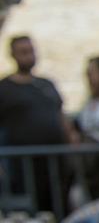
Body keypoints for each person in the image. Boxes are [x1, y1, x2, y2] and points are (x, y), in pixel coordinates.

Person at [0, 36, 73, 212]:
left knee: (60, 205)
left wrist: (71, 141)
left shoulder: (46, 84)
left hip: (55, 161)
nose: (28, 56)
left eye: (31, 51)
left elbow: (60, 114)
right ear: (13, 55)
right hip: (23, 165)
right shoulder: (5, 88)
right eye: (23, 52)